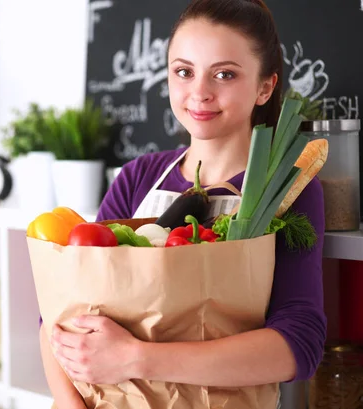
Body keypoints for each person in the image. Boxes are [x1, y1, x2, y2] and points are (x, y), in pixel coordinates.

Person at [39, 0, 327, 408]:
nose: (199, 93)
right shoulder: (137, 177)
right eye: (184, 71)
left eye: (224, 74)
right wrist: (68, 403)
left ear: (265, 87)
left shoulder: (287, 190)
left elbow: (298, 345)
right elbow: (58, 312)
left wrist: (135, 359)